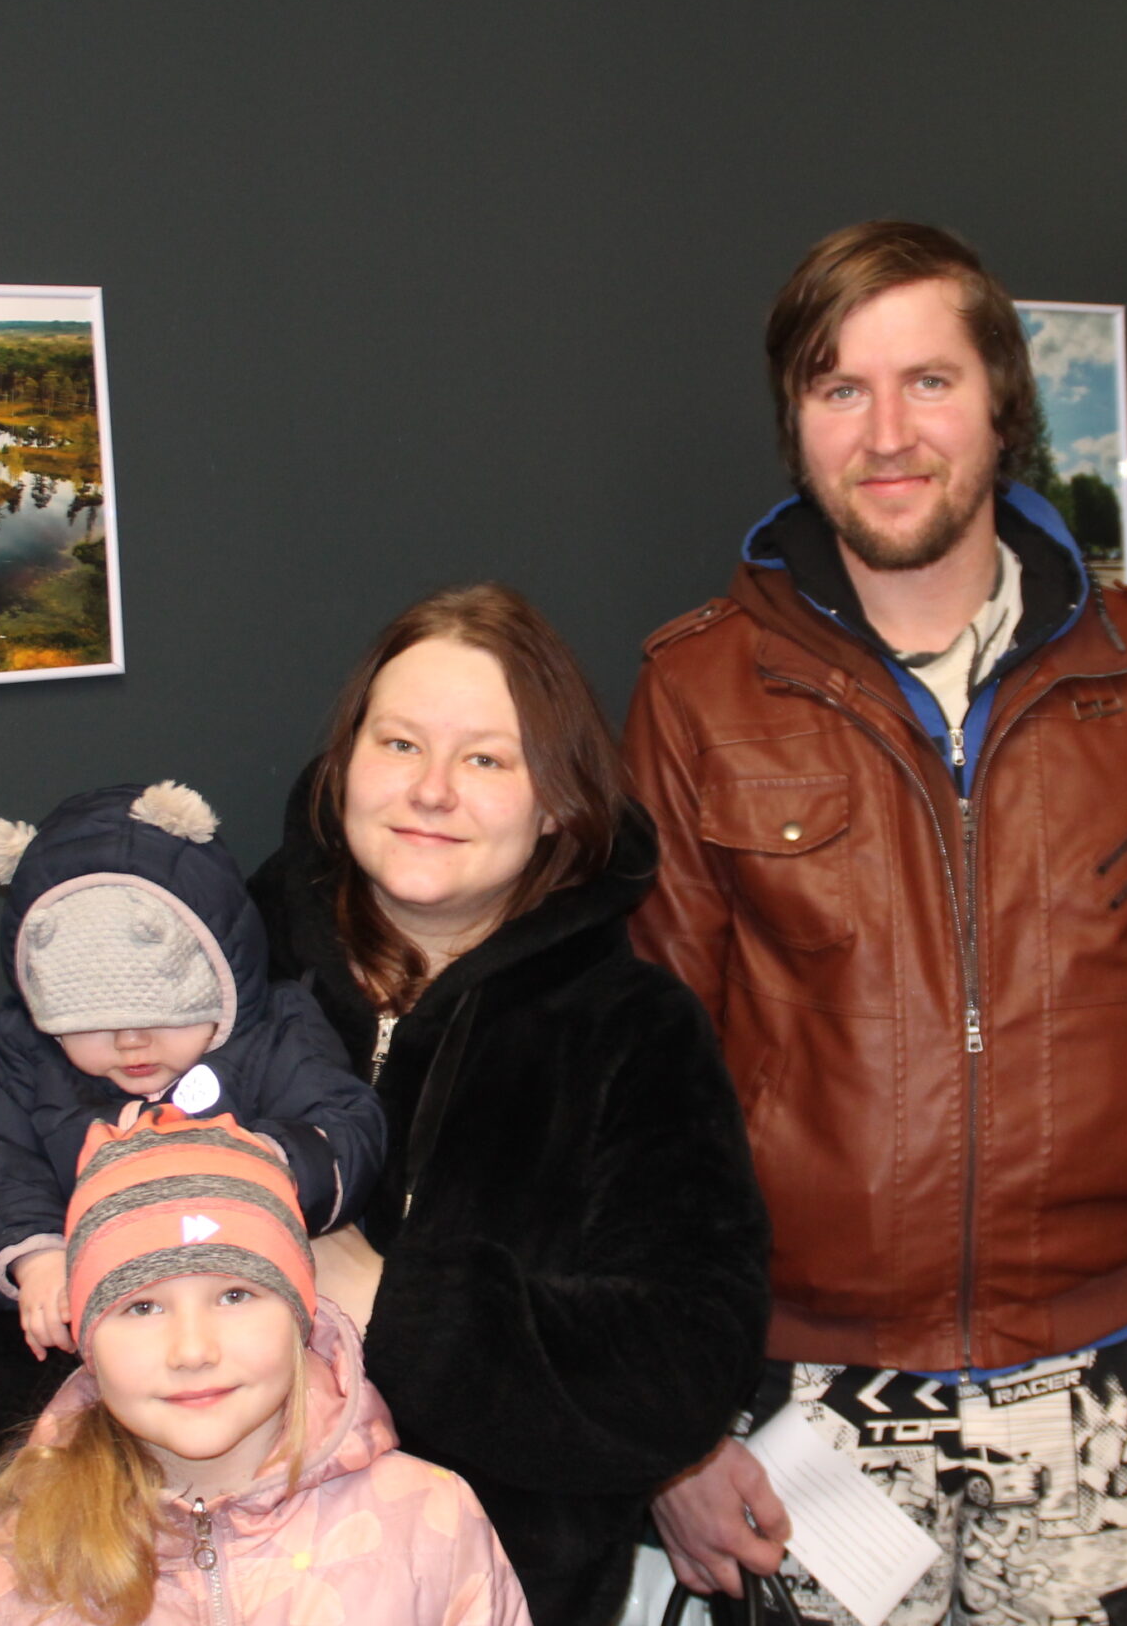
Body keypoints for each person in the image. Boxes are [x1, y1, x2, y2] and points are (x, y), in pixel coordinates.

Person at [623, 220, 1127, 1626]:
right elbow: (637, 1098)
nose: (887, 434)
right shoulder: (698, 692)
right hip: (797, 1406)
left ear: (1003, 402)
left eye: (928, 381)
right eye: (840, 389)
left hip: (1094, 1385)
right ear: (795, 425)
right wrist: (673, 1427)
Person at [248, 582, 771, 1626]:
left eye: (486, 760)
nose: (431, 791)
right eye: (399, 744)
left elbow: (681, 1369)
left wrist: (391, 1303)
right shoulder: (206, 969)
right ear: (345, 765)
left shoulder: (631, 1031)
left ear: (557, 805)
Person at [0, 780, 386, 1451]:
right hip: (116, 1370)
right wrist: (36, 1255)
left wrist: (274, 1162)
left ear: (224, 977)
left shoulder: (277, 1032)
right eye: (94, 1026)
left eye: (162, 1017)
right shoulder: (22, 1057)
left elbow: (346, 1122)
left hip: (272, 1354)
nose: (131, 1044)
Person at [0, 1106, 528, 1626]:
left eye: (235, 1296)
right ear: (86, 1342)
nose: (192, 1351)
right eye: (142, 1307)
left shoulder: (429, 1521)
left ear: (301, 1315)